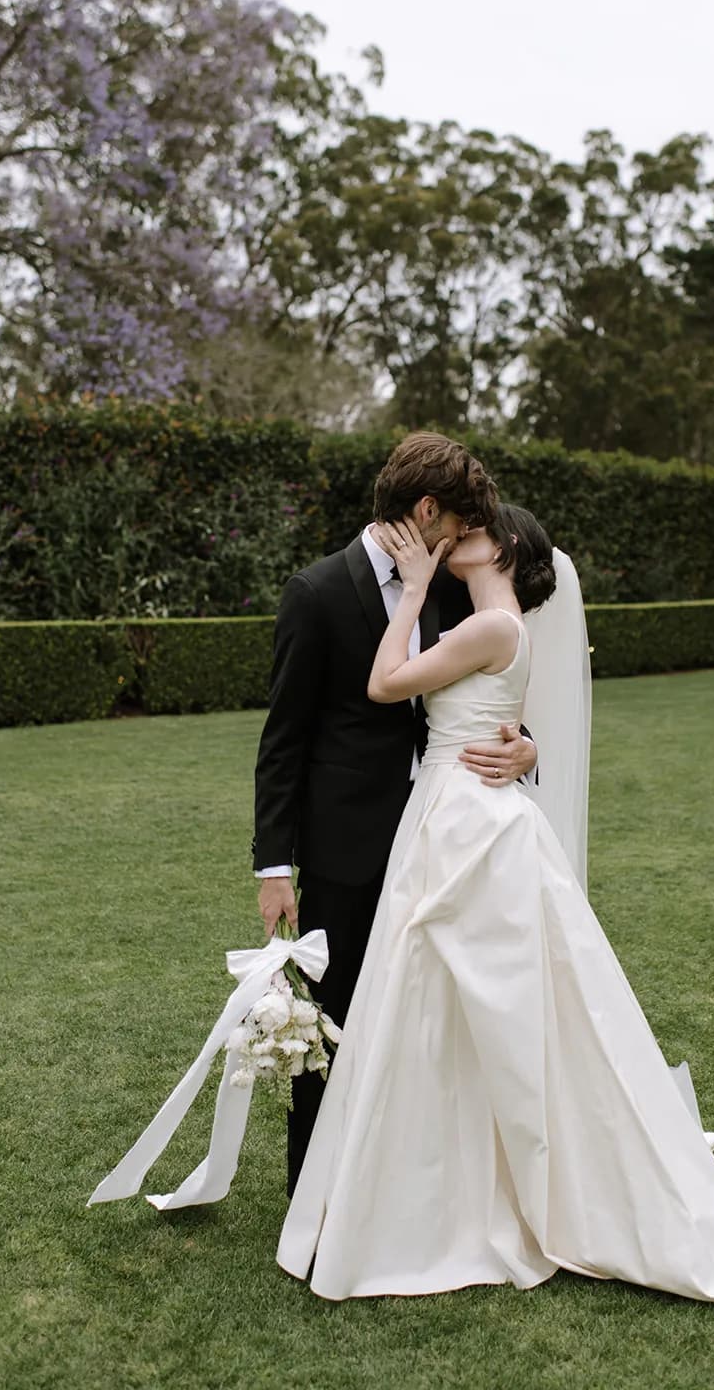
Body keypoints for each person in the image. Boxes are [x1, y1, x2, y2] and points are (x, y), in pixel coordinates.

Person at [276, 506, 714, 1302]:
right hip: (449, 814)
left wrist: (407, 594)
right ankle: (437, 1179)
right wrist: (522, 739)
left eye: (474, 529)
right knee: (441, 1000)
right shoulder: (479, 617)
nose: (454, 536)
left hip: (468, 822)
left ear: (502, 548)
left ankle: (458, 1194)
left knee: (484, 994)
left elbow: (385, 683)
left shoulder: (487, 622)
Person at [252, 432, 538, 1194]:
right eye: (463, 522)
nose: (468, 538)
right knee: (338, 1014)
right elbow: (282, 740)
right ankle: (312, 1187)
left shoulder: (449, 590)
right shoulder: (316, 592)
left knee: (440, 1010)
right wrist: (275, 865)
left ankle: (421, 1179)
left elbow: (483, 697)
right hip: (349, 846)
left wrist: (525, 749)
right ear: (428, 510)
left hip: (450, 837)